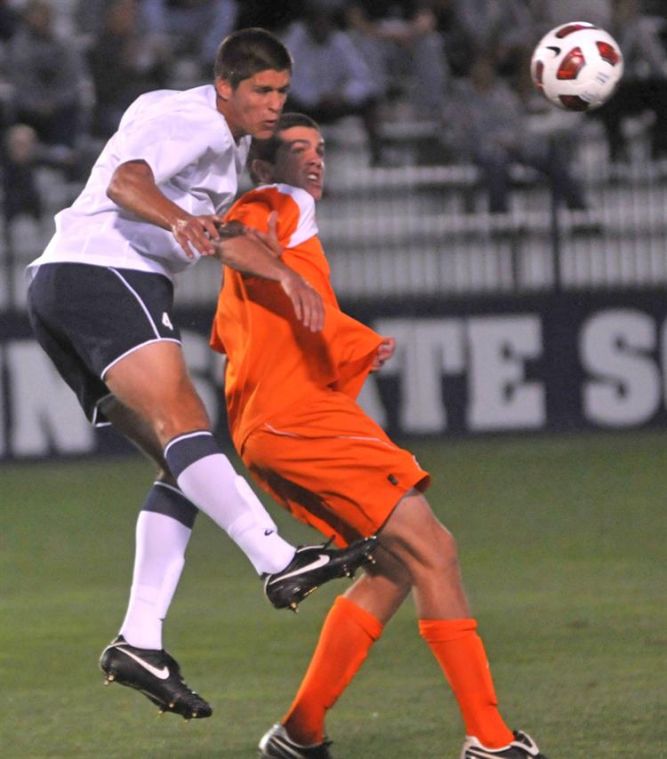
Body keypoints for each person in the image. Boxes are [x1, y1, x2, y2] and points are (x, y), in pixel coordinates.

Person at [25, 28, 376, 722]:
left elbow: (218, 233)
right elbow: (128, 183)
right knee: (187, 423)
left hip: (65, 286)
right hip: (105, 274)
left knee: (177, 460)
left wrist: (280, 271)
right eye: (261, 91)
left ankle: (139, 640)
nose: (274, 104)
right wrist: (179, 218)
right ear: (226, 87)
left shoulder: (213, 136)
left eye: (281, 91)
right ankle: (275, 558)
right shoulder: (196, 121)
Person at [209, 112, 548, 759]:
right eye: (298, 148)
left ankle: (300, 731)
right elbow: (231, 239)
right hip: (298, 420)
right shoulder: (271, 202)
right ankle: (489, 737)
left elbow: (245, 329)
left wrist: (341, 339)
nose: (315, 158)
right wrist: (283, 276)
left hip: (271, 426)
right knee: (434, 550)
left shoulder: (289, 223)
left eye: (321, 147)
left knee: (393, 565)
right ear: (262, 166)